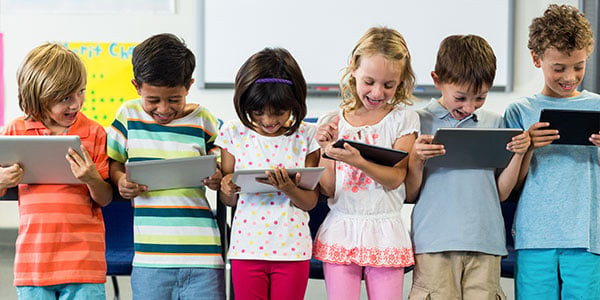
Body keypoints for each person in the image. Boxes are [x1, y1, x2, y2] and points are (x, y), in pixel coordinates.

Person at [404, 35, 531, 300]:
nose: (469, 106)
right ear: (437, 80)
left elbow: (501, 193)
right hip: (434, 242)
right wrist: (416, 158)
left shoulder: (497, 123)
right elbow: (410, 194)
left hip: (486, 241)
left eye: (480, 98)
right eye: (460, 97)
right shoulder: (417, 122)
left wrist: (519, 153)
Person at [106, 33, 225, 300]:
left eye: (174, 99)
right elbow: (114, 162)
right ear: (137, 87)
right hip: (150, 257)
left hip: (203, 254)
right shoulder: (128, 117)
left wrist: (217, 175)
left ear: (189, 86)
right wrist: (119, 180)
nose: (163, 109)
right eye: (153, 100)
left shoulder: (203, 120)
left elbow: (220, 162)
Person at [312, 27, 418, 300]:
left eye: (388, 85)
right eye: (369, 81)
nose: (377, 92)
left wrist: (358, 161)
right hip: (341, 228)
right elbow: (328, 188)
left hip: (385, 229)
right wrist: (326, 150)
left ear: (401, 81)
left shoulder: (403, 119)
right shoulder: (332, 121)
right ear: (353, 69)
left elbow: (396, 178)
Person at [0, 43, 112, 299]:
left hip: (85, 266)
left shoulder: (94, 133)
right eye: (65, 98)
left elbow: (105, 198)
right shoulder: (15, 131)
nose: (76, 104)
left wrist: (91, 177)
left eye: (81, 92)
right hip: (33, 265)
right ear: (38, 96)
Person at [503, 4, 600, 299]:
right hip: (534, 238)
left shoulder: (597, 106)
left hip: (588, 239)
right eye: (559, 68)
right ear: (537, 59)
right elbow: (512, 186)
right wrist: (528, 146)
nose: (569, 77)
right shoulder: (519, 111)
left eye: (579, 66)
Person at [216, 47, 320, 300]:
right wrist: (226, 188)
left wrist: (289, 188)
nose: (268, 120)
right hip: (246, 248)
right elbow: (229, 200)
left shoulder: (306, 136)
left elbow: (310, 202)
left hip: (292, 249)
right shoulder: (234, 133)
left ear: (294, 104)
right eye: (258, 112)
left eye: (279, 113)